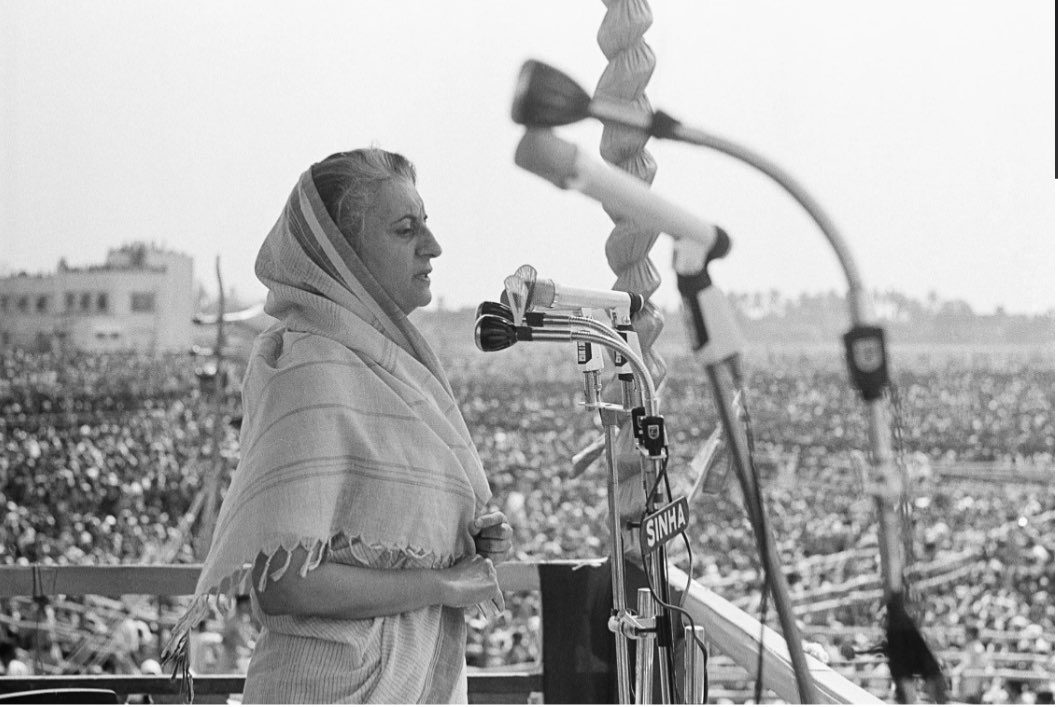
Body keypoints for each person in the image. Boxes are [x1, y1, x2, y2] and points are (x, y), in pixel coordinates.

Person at [163, 148, 512, 703]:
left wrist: (464, 536)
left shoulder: (394, 366)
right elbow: (283, 586)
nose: (433, 246)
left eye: (425, 224)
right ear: (343, 255)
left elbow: (383, 536)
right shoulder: (309, 369)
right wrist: (441, 583)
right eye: (405, 230)